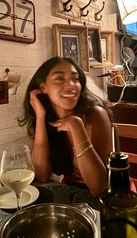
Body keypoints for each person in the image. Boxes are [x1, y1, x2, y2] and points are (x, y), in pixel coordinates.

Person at [19, 56, 112, 198]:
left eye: (75, 79)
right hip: (73, 198)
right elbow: (42, 175)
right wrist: (40, 116)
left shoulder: (95, 115)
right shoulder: (48, 118)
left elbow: (99, 188)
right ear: (43, 87)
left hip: (110, 200)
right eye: (59, 79)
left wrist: (76, 127)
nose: (71, 85)